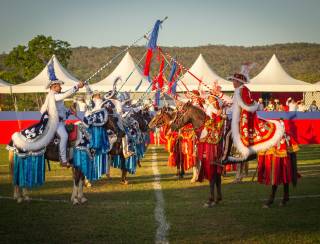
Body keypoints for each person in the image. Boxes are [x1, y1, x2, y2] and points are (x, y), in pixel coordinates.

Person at [41, 69, 84, 167]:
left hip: (59, 122)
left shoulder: (57, 98)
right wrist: (77, 86)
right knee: (64, 136)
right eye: (59, 86)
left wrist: (70, 110)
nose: (60, 87)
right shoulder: (53, 96)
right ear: (54, 87)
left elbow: (63, 111)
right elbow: (65, 94)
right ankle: (63, 160)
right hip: (54, 123)